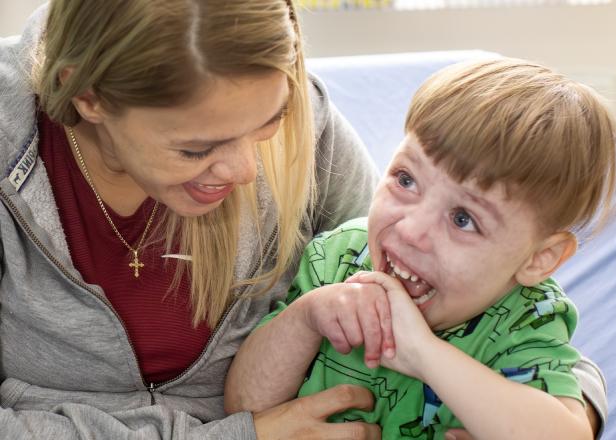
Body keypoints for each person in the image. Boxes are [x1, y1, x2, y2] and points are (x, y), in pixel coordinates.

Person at [0, 0, 386, 438]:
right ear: (89, 97)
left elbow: (411, 285)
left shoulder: (310, 121)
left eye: (269, 121)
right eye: (197, 149)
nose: (246, 172)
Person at [225, 58, 616, 439]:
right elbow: (244, 405)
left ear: (540, 259)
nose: (410, 229)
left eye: (463, 219)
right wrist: (305, 319)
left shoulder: (526, 320)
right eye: (405, 179)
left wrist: (422, 353)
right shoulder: (340, 256)